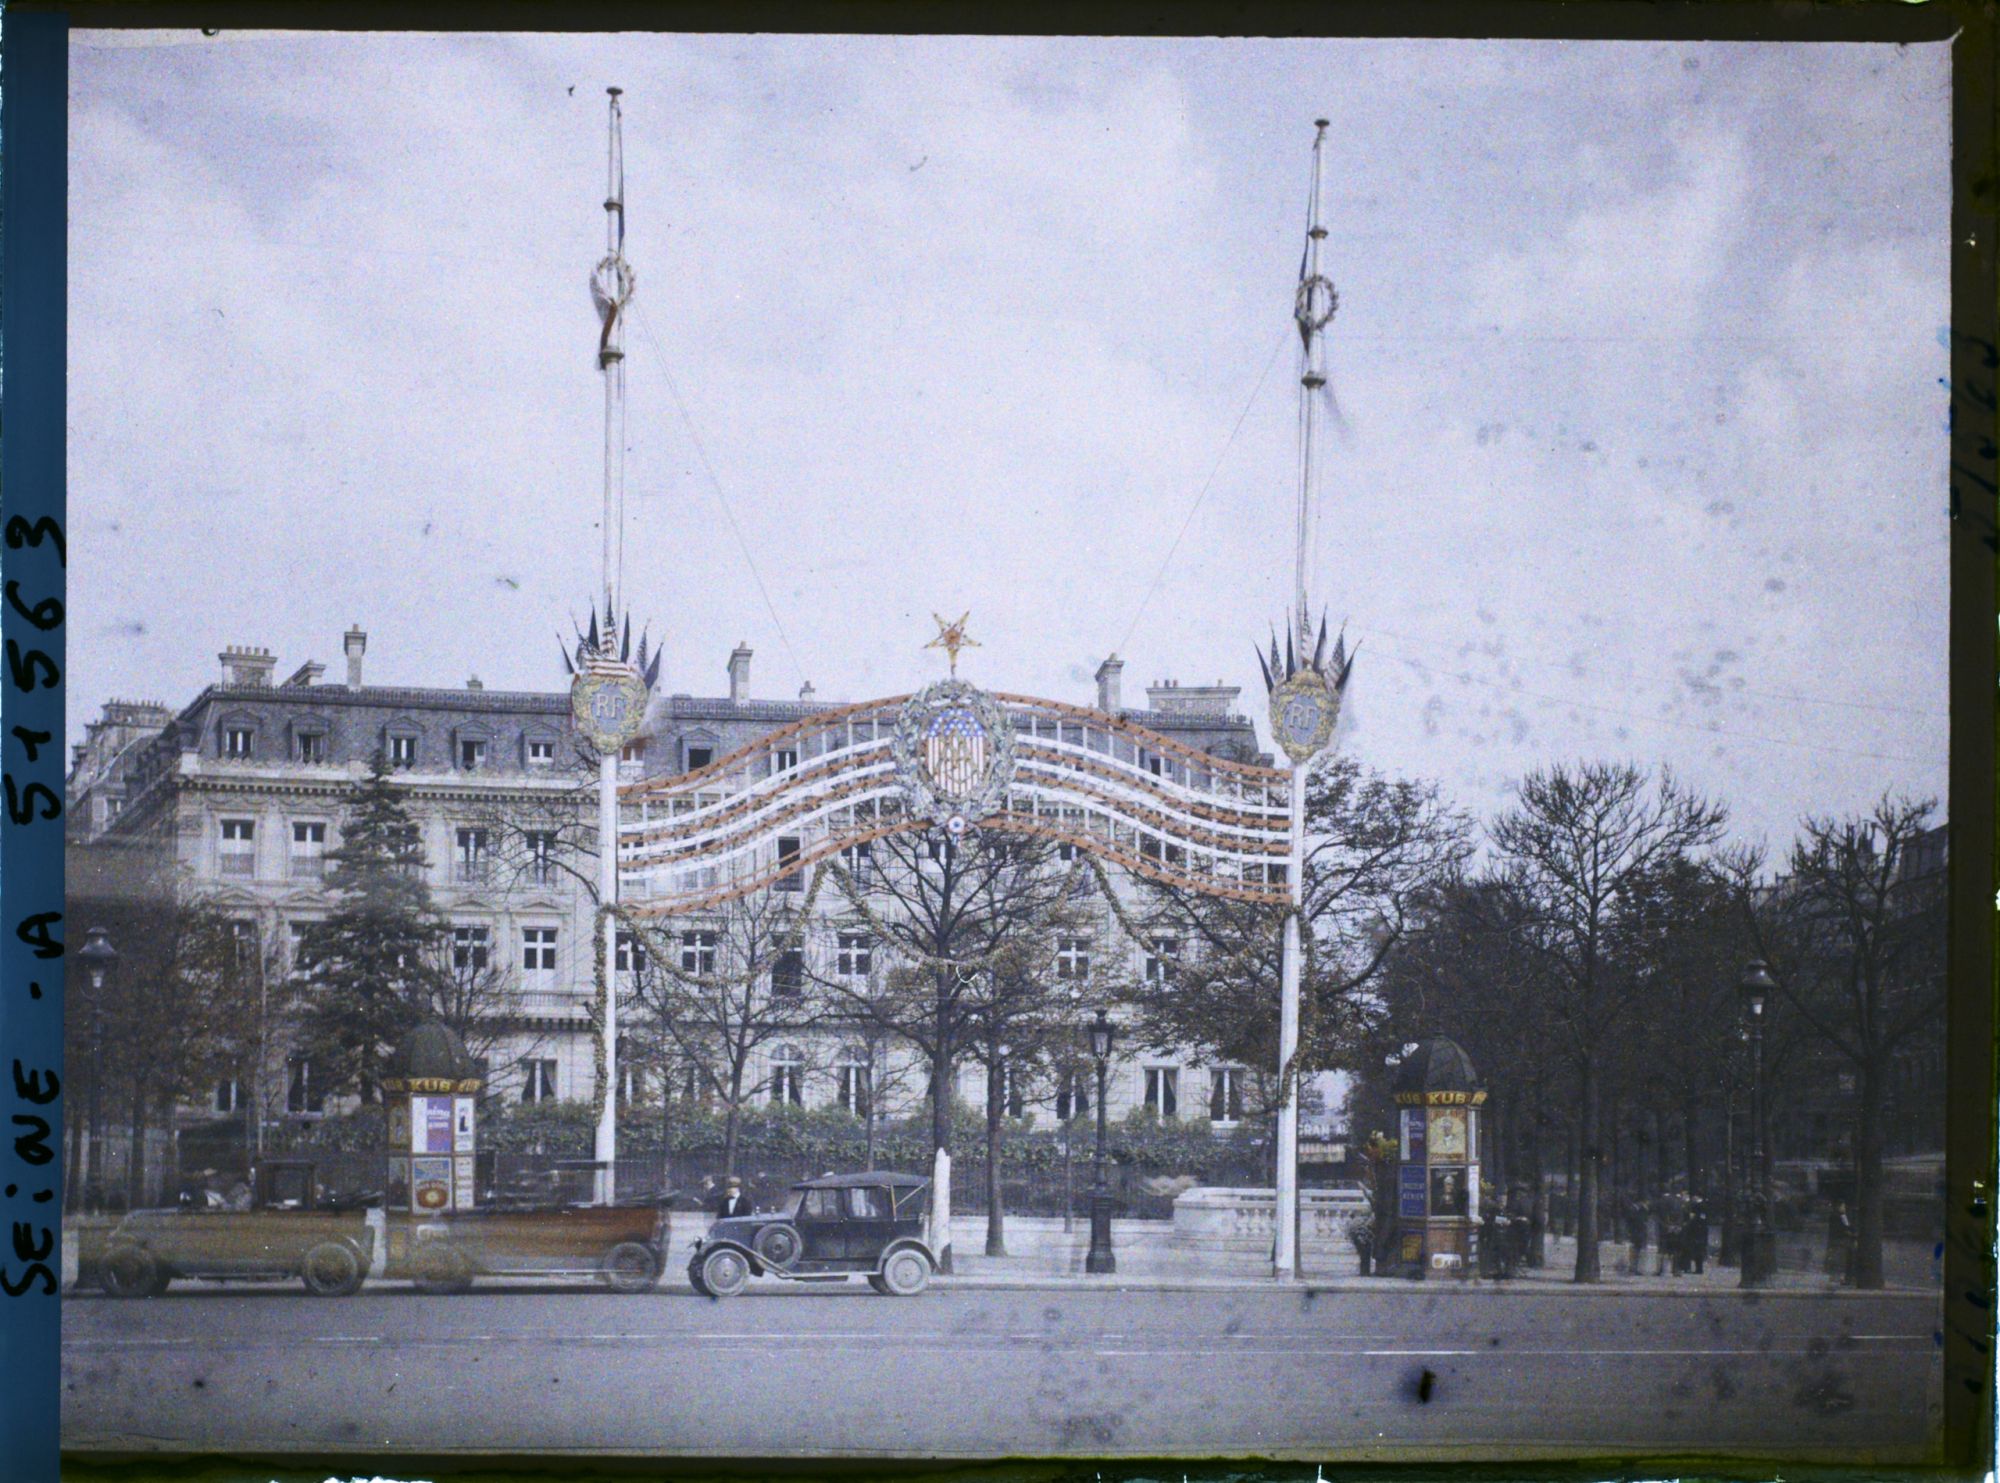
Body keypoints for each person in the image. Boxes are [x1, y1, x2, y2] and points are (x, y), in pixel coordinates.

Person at [1826, 1201, 1855, 1285]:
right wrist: (1850, 1233)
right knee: (1841, 1258)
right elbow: (1847, 1226)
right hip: (1841, 1239)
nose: (1844, 1207)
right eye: (1843, 1206)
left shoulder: (1835, 1216)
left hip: (1837, 1239)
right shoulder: (1842, 1216)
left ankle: (1835, 1276)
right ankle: (1841, 1277)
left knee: (1837, 1258)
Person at [1685, 1198, 1710, 1274]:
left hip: (1696, 1235)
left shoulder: (1696, 1218)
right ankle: (1699, 1268)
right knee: (1699, 1252)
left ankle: (1697, 1269)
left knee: (1696, 1252)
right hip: (1702, 1235)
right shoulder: (1703, 1216)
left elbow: (1692, 1225)